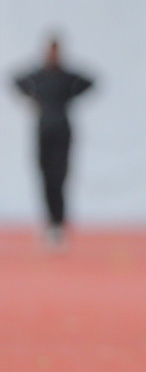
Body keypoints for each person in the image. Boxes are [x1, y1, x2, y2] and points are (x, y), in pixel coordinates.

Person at [13, 35, 94, 248]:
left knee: (60, 176)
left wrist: (71, 95)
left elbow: (90, 81)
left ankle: (59, 223)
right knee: (44, 175)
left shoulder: (66, 76)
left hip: (62, 130)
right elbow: (16, 80)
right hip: (43, 129)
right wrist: (33, 96)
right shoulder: (39, 75)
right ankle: (49, 222)